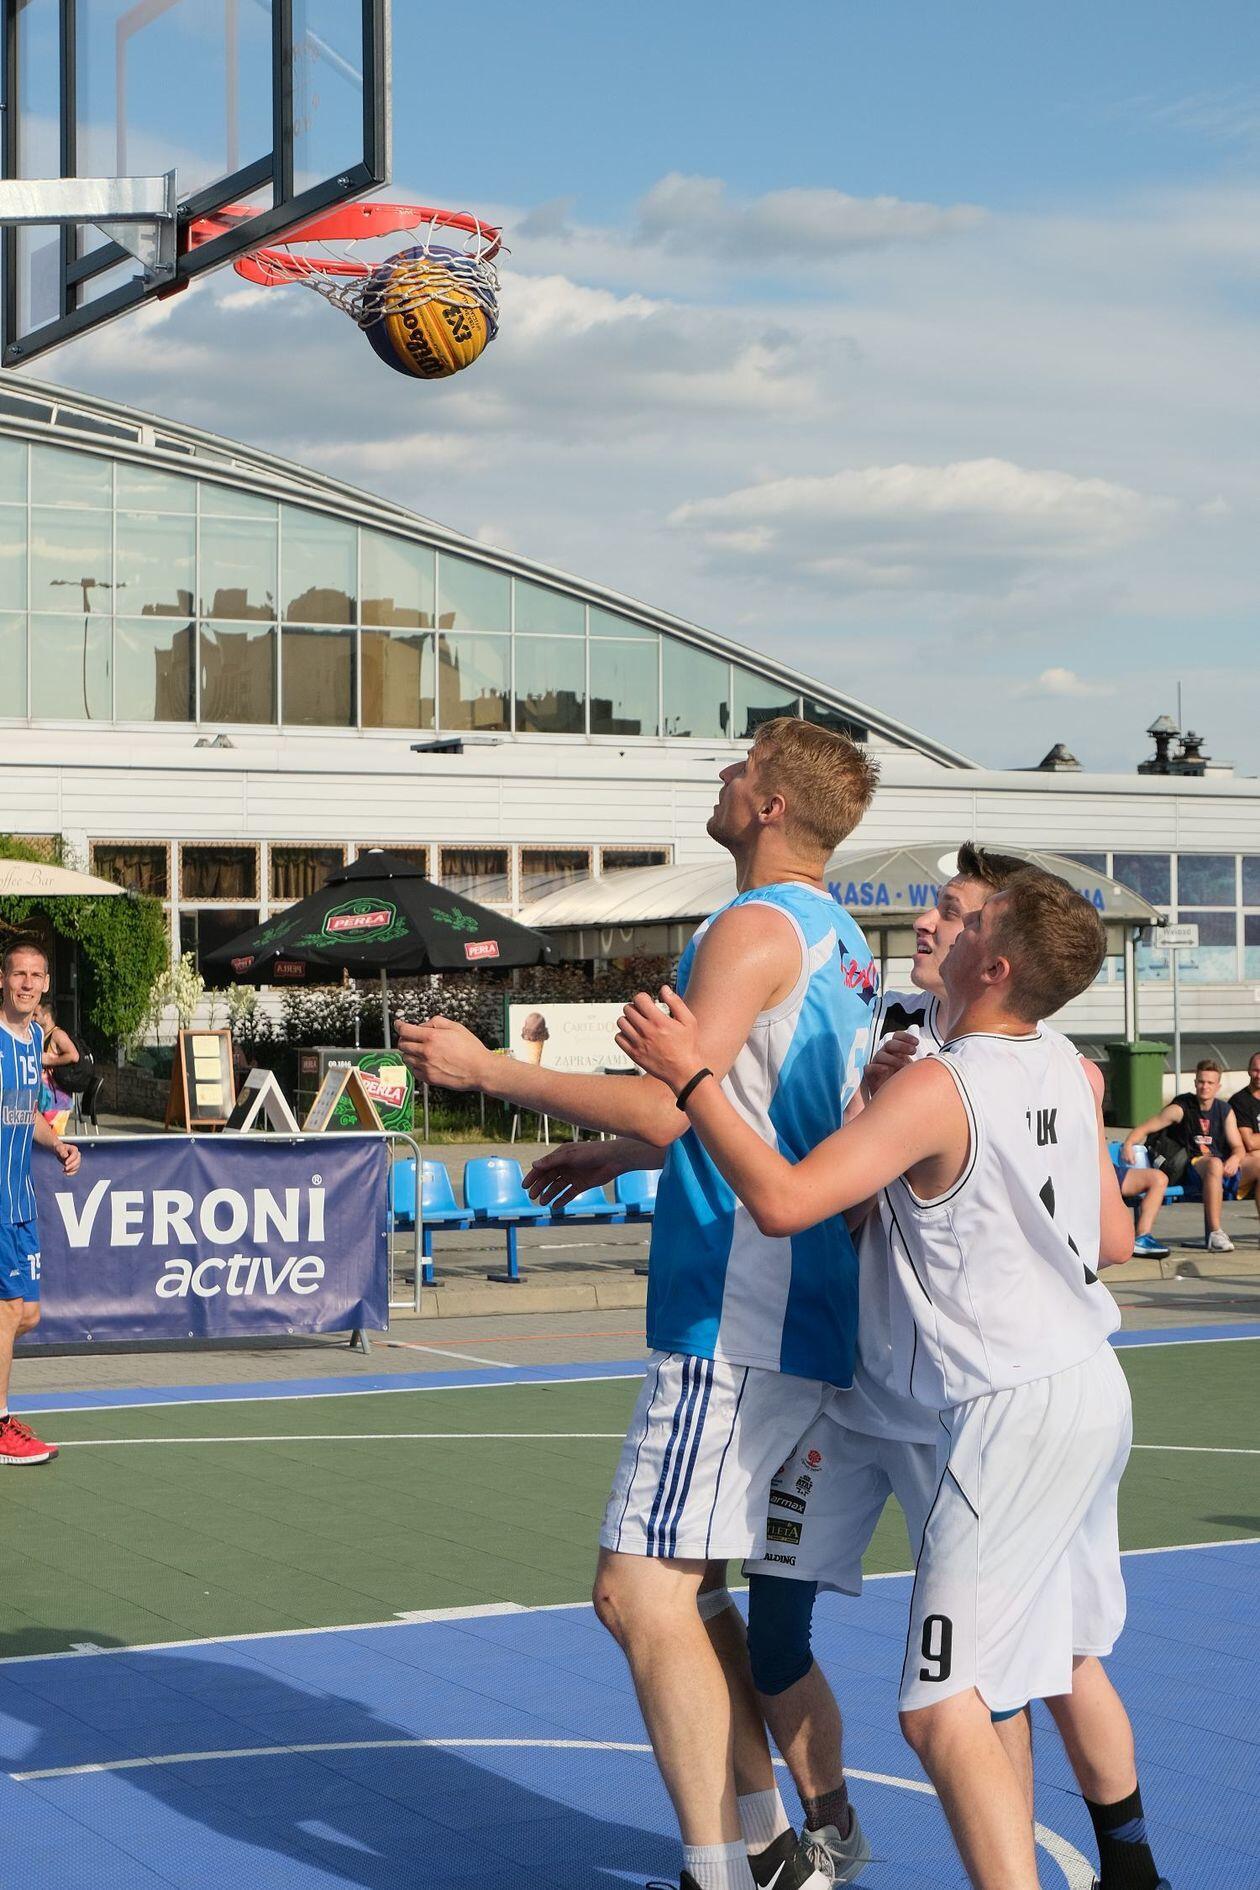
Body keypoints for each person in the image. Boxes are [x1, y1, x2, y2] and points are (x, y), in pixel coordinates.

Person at [398, 717, 882, 1890]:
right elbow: (756, 1109)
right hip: (802, 1305)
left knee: (633, 1596)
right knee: (688, 1594)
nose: (722, 775)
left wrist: (488, 1070)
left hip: (740, 1312)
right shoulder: (840, 936)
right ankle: (767, 1845)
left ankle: (731, 1868)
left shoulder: (752, 926)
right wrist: (624, 1154)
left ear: (771, 804)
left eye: (741, 767)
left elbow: (679, 1097)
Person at [616, 870, 1170, 1890]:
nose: (937, 924)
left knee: (948, 1704)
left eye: (969, 918)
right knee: (1008, 1667)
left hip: (995, 1408)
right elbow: (1110, 1239)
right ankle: (1124, 1871)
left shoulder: (941, 1083)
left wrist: (692, 1080)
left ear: (993, 965)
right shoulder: (1057, 1063)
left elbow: (787, 1202)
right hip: (1056, 1381)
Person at [1, 942, 80, 1466]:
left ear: (46, 983)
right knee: (8, 1311)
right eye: (18, 974)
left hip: (21, 1200)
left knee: (27, 1315)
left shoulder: (32, 1040)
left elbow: (23, 1111)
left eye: (35, 975)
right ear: (2, 979)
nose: (27, 983)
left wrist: (57, 1144)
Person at [1123, 1058, 1249, 1253]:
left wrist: (1235, 1158)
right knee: (1214, 1164)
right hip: (1188, 1167)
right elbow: (1147, 1127)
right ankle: (1215, 1232)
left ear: (1218, 1086)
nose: (1205, 1087)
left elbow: (1238, 1147)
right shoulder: (1181, 1108)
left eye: (1210, 1083)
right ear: (1195, 1083)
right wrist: (1129, 1144)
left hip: (1220, 1170)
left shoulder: (1224, 1111)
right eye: (1201, 1081)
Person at [1227, 1052, 1260, 1240]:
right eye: (1255, 1070)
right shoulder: (1240, 1101)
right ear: (1248, 1071)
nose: (1259, 1075)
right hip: (1241, 1166)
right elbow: (1250, 1143)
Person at [35, 1001, 79, 1121]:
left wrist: (50, 1060)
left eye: (36, 1015)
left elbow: (74, 1056)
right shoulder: (42, 1035)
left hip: (57, 1100)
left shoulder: (57, 1034)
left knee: (54, 1133)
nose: (33, 1018)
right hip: (45, 1098)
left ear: (47, 1016)